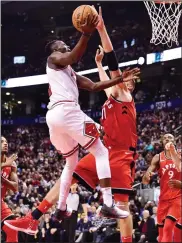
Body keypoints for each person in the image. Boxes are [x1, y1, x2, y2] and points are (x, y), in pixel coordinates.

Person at [4, 7, 140, 236]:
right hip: (88, 134)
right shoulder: (112, 94)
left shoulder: (125, 95)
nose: (124, 81)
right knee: (87, 160)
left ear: (130, 86)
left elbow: (111, 65)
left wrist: (100, 30)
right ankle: (41, 215)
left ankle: (46, 213)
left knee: (113, 198)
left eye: (127, 81)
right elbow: (102, 81)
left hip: (122, 155)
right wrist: (99, 61)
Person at [45, 7, 139, 221]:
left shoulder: (69, 72)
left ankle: (59, 208)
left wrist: (113, 75)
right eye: (62, 45)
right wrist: (87, 32)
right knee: (100, 151)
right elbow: (74, 56)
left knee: (71, 162)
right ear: (55, 50)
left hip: (54, 117)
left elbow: (96, 85)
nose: (65, 47)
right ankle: (107, 204)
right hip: (67, 112)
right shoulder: (55, 58)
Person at [142, 133, 181, 242]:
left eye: (170, 137)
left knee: (168, 227)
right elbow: (145, 179)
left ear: (174, 141)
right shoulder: (158, 157)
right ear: (162, 142)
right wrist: (147, 175)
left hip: (178, 198)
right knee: (161, 234)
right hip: (163, 200)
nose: (167, 139)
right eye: (164, 138)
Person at [1, 136, 18, 242]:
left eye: (6, 142)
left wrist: (3, 180)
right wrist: (3, 165)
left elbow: (15, 187)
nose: (5, 143)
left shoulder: (11, 164)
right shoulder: (7, 163)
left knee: (12, 226)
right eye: (2, 142)